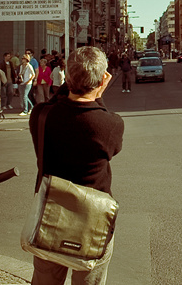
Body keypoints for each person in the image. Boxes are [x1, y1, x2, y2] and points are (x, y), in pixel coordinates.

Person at [28, 46, 124, 285]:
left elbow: (55, 102)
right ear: (103, 79)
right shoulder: (110, 124)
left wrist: (74, 82)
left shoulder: (41, 115)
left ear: (66, 78)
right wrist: (98, 94)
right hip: (93, 221)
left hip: (50, 215)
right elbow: (111, 148)